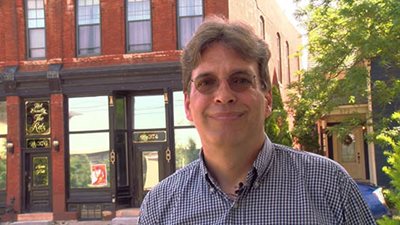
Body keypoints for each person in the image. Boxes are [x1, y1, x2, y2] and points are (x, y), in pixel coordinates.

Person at [139, 16, 376, 224]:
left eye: (240, 80)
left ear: (268, 99)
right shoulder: (159, 206)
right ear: (189, 106)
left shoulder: (329, 185)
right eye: (206, 82)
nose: (223, 96)